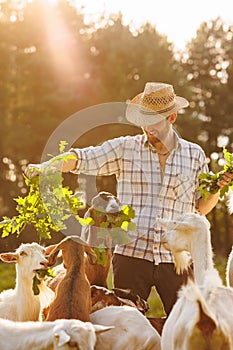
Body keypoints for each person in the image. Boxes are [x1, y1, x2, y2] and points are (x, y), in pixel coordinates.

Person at [25, 82, 233, 316]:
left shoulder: (194, 155)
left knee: (184, 328)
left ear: (172, 118)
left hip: (177, 261)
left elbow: (199, 208)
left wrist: (216, 188)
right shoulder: (126, 148)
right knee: (127, 327)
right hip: (131, 257)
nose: (147, 129)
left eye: (154, 122)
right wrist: (48, 166)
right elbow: (83, 158)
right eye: (144, 122)